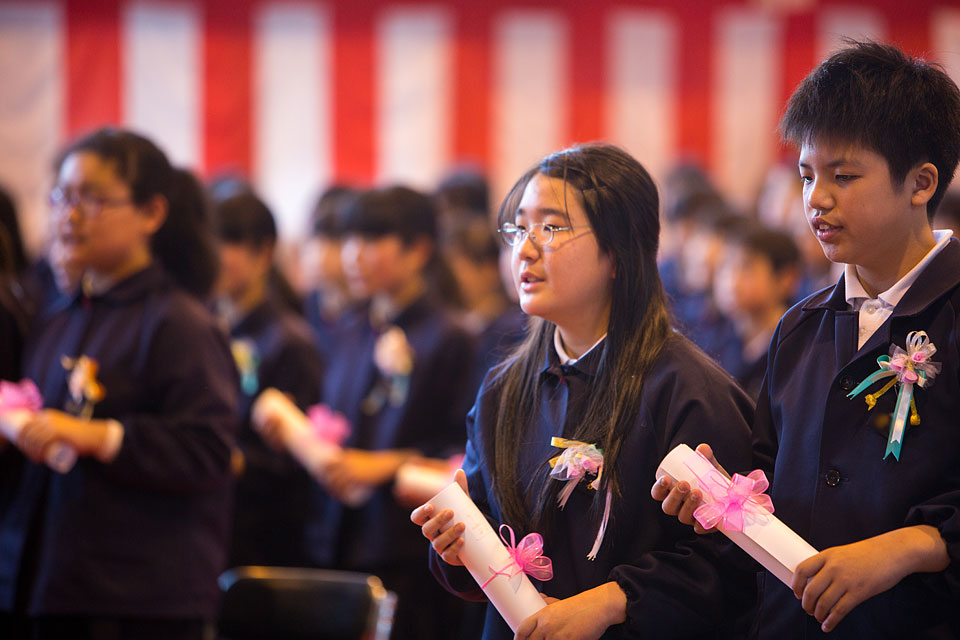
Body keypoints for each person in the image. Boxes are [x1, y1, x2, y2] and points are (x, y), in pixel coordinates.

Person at [653, 41, 960, 638]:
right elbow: (772, 485)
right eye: (806, 176)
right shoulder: (798, 327)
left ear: (920, 183)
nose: (816, 199)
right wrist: (724, 497)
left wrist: (910, 546)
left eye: (843, 176)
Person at [412, 143, 757, 639]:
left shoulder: (689, 391)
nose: (525, 249)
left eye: (551, 228)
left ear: (618, 251)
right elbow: (485, 533)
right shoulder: (502, 389)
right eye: (519, 229)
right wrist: (456, 545)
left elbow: (732, 566)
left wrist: (613, 601)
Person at [0, 128, 238, 640]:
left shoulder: (179, 322)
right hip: (48, 581)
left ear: (152, 213)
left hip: (136, 597)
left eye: (92, 199)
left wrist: (96, 436)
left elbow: (210, 450)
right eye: (62, 197)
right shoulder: (60, 314)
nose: (69, 216)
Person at [304, 185, 476, 640]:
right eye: (349, 239)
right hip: (338, 536)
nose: (353, 255)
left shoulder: (452, 337)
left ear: (418, 250)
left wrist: (383, 465)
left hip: (408, 545)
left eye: (371, 239)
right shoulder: (351, 328)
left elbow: (462, 450)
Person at [212, 190, 325, 568]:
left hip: (264, 536)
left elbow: (298, 459)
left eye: (228, 242)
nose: (214, 254)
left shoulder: (290, 341)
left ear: (263, 253)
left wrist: (230, 459)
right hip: (213, 523)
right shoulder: (204, 327)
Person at [713, 223, 800, 399]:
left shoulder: (798, 348)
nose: (731, 281)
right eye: (726, 266)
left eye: (746, 268)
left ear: (786, 279)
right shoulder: (716, 337)